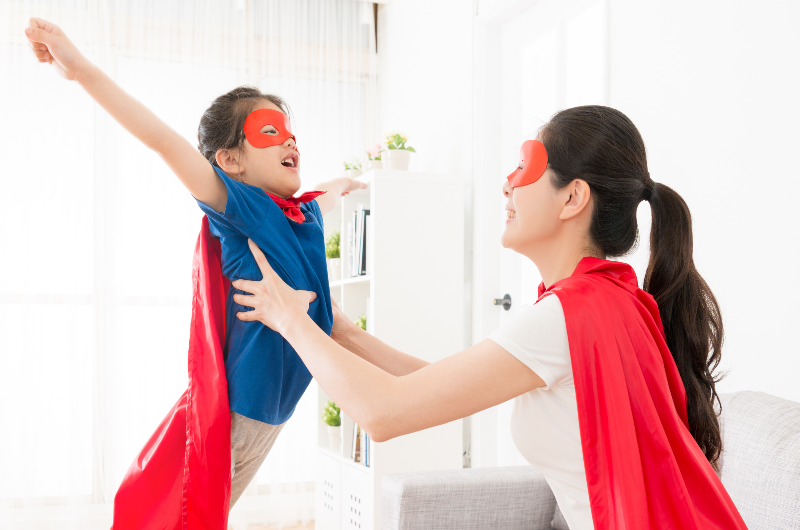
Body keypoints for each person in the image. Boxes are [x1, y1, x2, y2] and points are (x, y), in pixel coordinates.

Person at [231, 106, 748, 529]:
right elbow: (439, 383)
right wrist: (342, 331)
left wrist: (288, 318)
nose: (506, 186)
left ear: (572, 197)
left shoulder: (569, 314)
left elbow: (383, 414)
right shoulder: (606, 300)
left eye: (524, 170)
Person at [24, 16, 366, 519]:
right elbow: (163, 140)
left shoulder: (307, 210)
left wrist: (347, 181)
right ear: (229, 161)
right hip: (237, 416)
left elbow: (328, 196)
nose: (290, 142)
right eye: (270, 133)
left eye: (291, 133)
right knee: (177, 516)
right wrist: (81, 71)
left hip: (274, 415)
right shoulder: (242, 208)